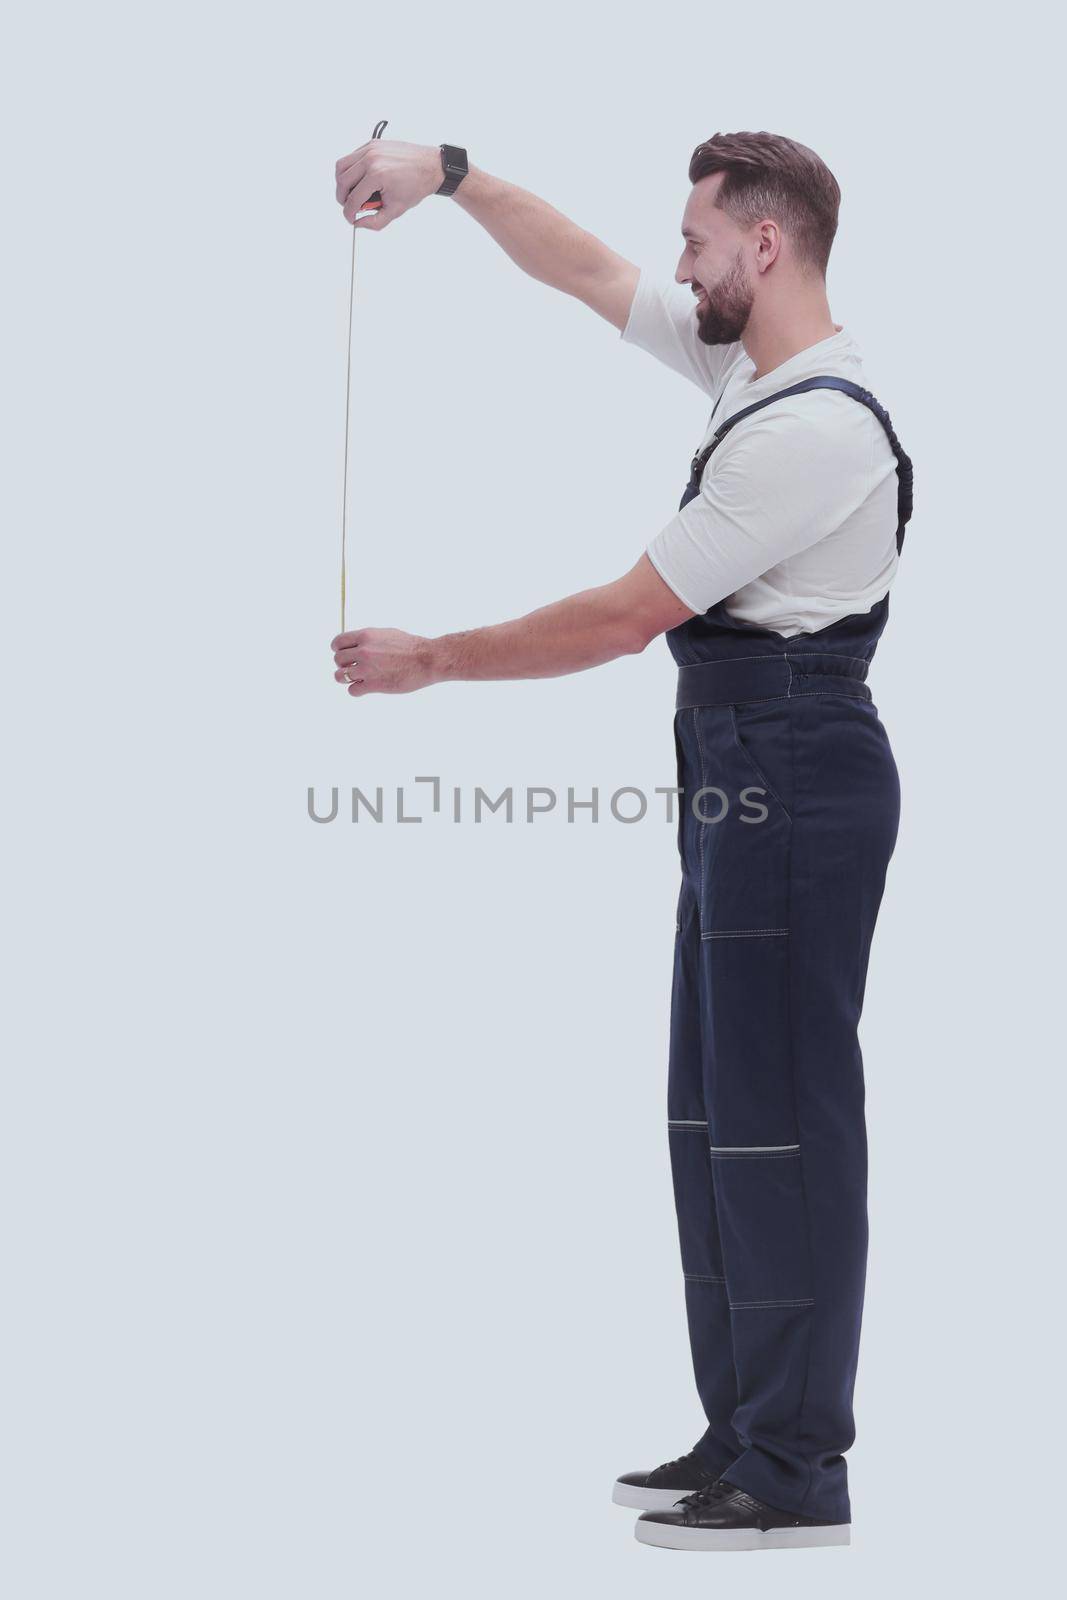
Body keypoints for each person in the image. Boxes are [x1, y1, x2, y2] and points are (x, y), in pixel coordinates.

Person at [331, 130, 909, 1553]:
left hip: (796, 768)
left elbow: (622, 613)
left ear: (765, 247)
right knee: (717, 1117)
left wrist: (436, 661)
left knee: (785, 1127)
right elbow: (583, 270)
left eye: (702, 240)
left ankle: (796, 1466)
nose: (680, 264)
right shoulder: (752, 374)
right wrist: (450, 177)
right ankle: (743, 1428)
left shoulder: (814, 427)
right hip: (742, 766)